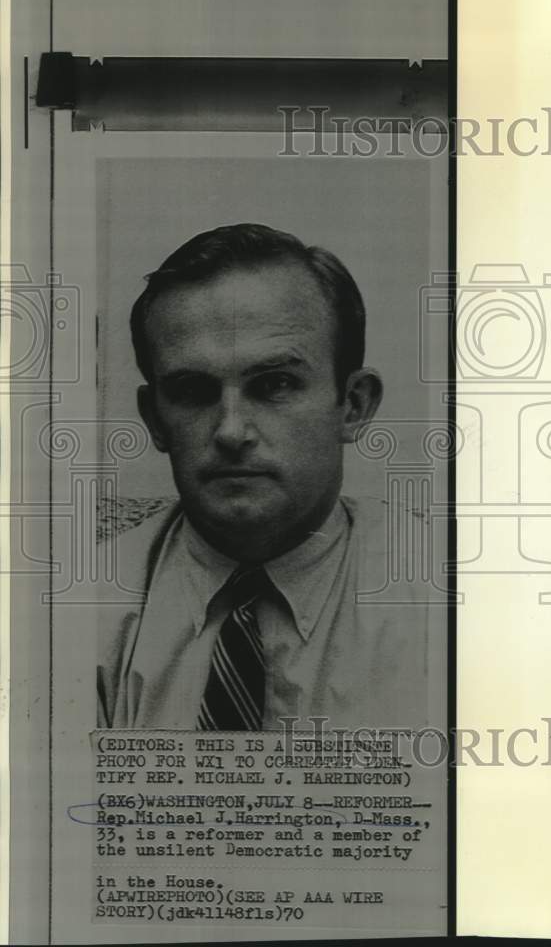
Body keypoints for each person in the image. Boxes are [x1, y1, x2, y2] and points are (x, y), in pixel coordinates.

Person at [97, 223, 440, 731]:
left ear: (352, 406)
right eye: (193, 390)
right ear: (154, 420)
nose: (231, 431)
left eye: (274, 384)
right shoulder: (77, 610)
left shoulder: (447, 606)